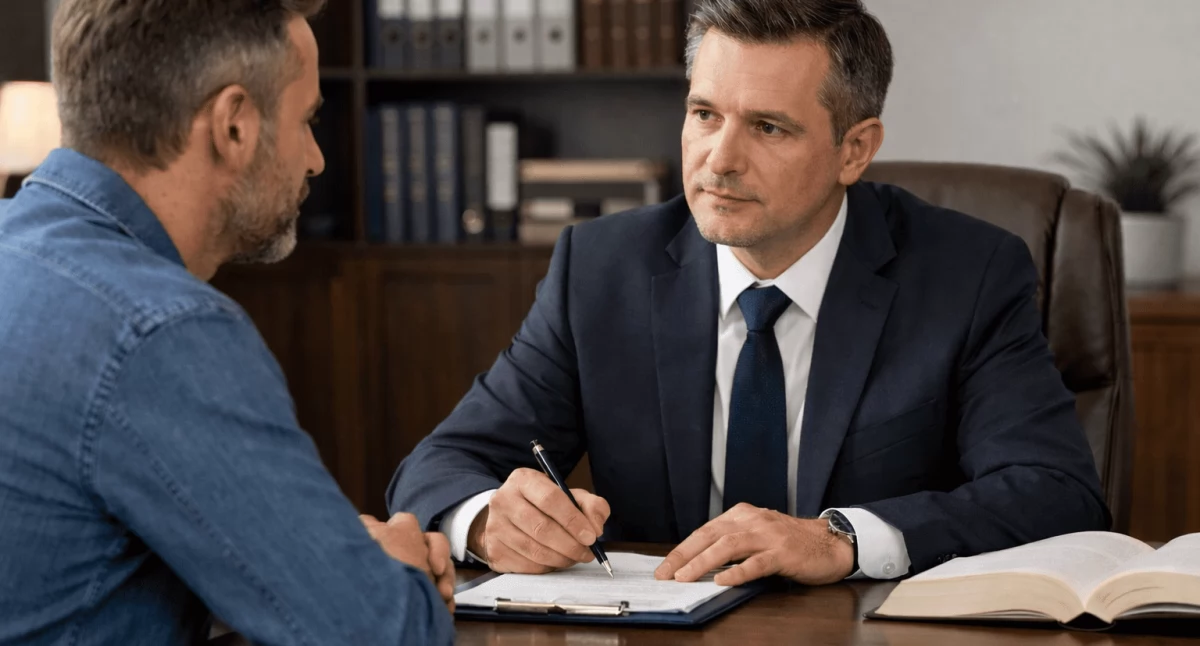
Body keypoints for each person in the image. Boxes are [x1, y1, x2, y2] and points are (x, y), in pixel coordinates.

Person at [387, 0, 1110, 589]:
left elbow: (1055, 492)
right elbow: (437, 466)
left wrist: (841, 541)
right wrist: (485, 519)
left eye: (767, 127)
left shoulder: (967, 273)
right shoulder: (602, 268)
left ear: (855, 149)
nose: (719, 161)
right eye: (705, 114)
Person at [0, 1, 454, 644]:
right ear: (234, 126)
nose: (317, 159)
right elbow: (383, 632)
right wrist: (398, 564)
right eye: (308, 120)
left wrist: (308, 555)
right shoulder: (161, 332)